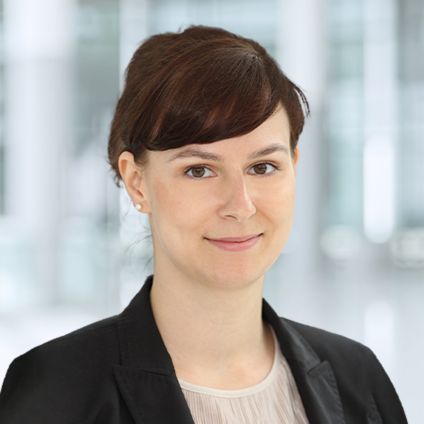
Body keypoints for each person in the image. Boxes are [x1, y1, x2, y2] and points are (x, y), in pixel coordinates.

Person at [0, 25, 407, 424]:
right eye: (199, 170)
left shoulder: (357, 377)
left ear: (294, 167)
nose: (240, 206)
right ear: (137, 182)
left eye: (263, 167)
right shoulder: (57, 390)